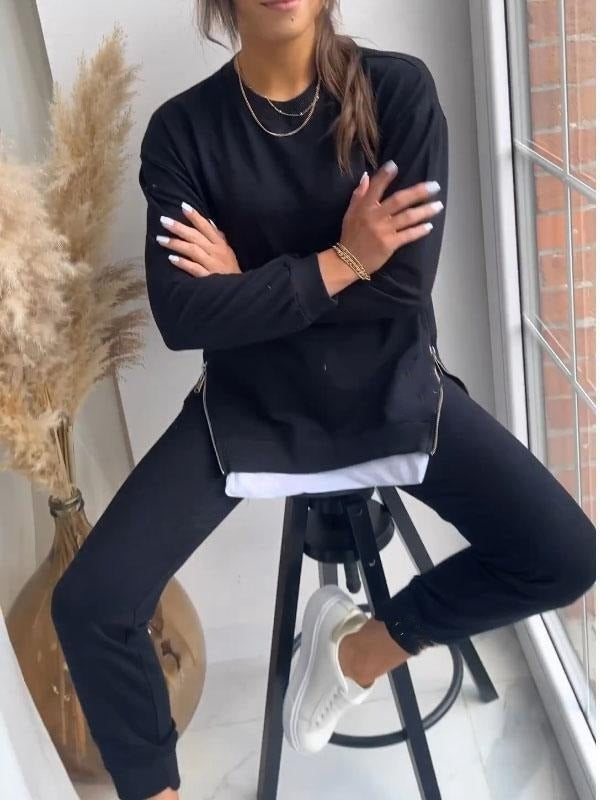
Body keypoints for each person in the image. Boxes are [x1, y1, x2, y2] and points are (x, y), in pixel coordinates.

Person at [50, 1, 597, 798]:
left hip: (392, 394)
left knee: (564, 554)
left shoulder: (396, 92)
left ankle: (355, 653)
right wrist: (343, 259)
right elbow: (183, 317)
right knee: (91, 602)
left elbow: (404, 284)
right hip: (248, 413)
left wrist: (246, 285)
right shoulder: (183, 131)